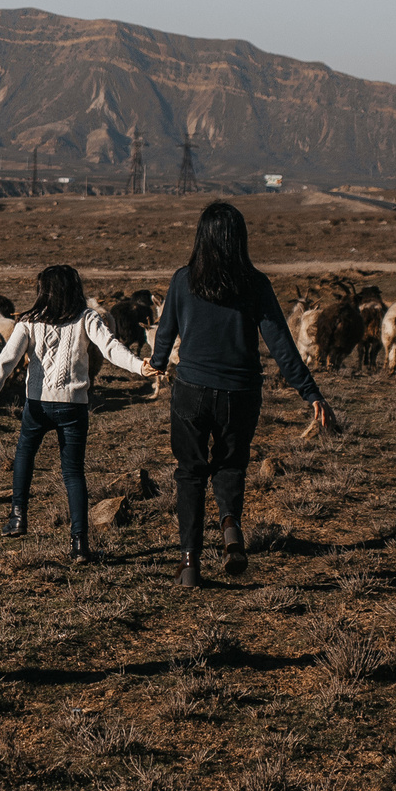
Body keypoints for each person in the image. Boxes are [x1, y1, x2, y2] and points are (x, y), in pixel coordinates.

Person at [149, 200, 335, 586]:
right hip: (240, 391)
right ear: (239, 240)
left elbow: (165, 333)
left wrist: (158, 359)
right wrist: (310, 392)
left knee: (190, 474)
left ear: (202, 238)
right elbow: (281, 344)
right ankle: (231, 528)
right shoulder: (256, 284)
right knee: (231, 465)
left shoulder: (183, 279)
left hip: (191, 390)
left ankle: (189, 563)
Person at [0, 263, 157, 566]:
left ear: (43, 291)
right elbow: (110, 348)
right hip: (73, 406)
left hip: (37, 404)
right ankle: (80, 545)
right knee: (73, 473)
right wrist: (139, 366)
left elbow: (6, 360)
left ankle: (18, 518)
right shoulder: (87, 318)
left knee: (24, 456)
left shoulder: (29, 320)